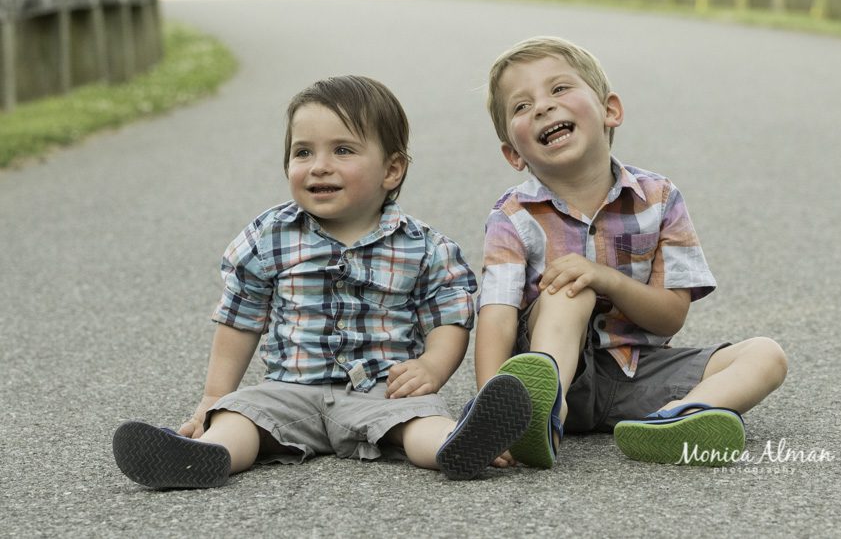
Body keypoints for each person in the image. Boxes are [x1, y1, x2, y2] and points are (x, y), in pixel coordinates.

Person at [113, 75, 532, 488]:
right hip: (288, 391)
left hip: (383, 392)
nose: (319, 166)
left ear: (391, 169)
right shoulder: (270, 237)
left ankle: (457, 444)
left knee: (420, 419)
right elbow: (240, 318)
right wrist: (213, 398)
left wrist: (431, 367)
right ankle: (204, 455)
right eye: (303, 152)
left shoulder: (424, 247)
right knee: (240, 415)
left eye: (342, 150)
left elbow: (449, 316)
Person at [475, 36, 788, 468]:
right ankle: (544, 413)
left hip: (637, 372)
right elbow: (496, 316)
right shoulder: (513, 217)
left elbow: (670, 317)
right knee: (572, 288)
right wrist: (490, 414)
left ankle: (678, 417)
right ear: (514, 154)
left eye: (559, 88)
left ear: (610, 110)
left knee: (767, 354)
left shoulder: (660, 199)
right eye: (522, 106)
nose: (543, 107)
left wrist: (609, 279)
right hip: (555, 371)